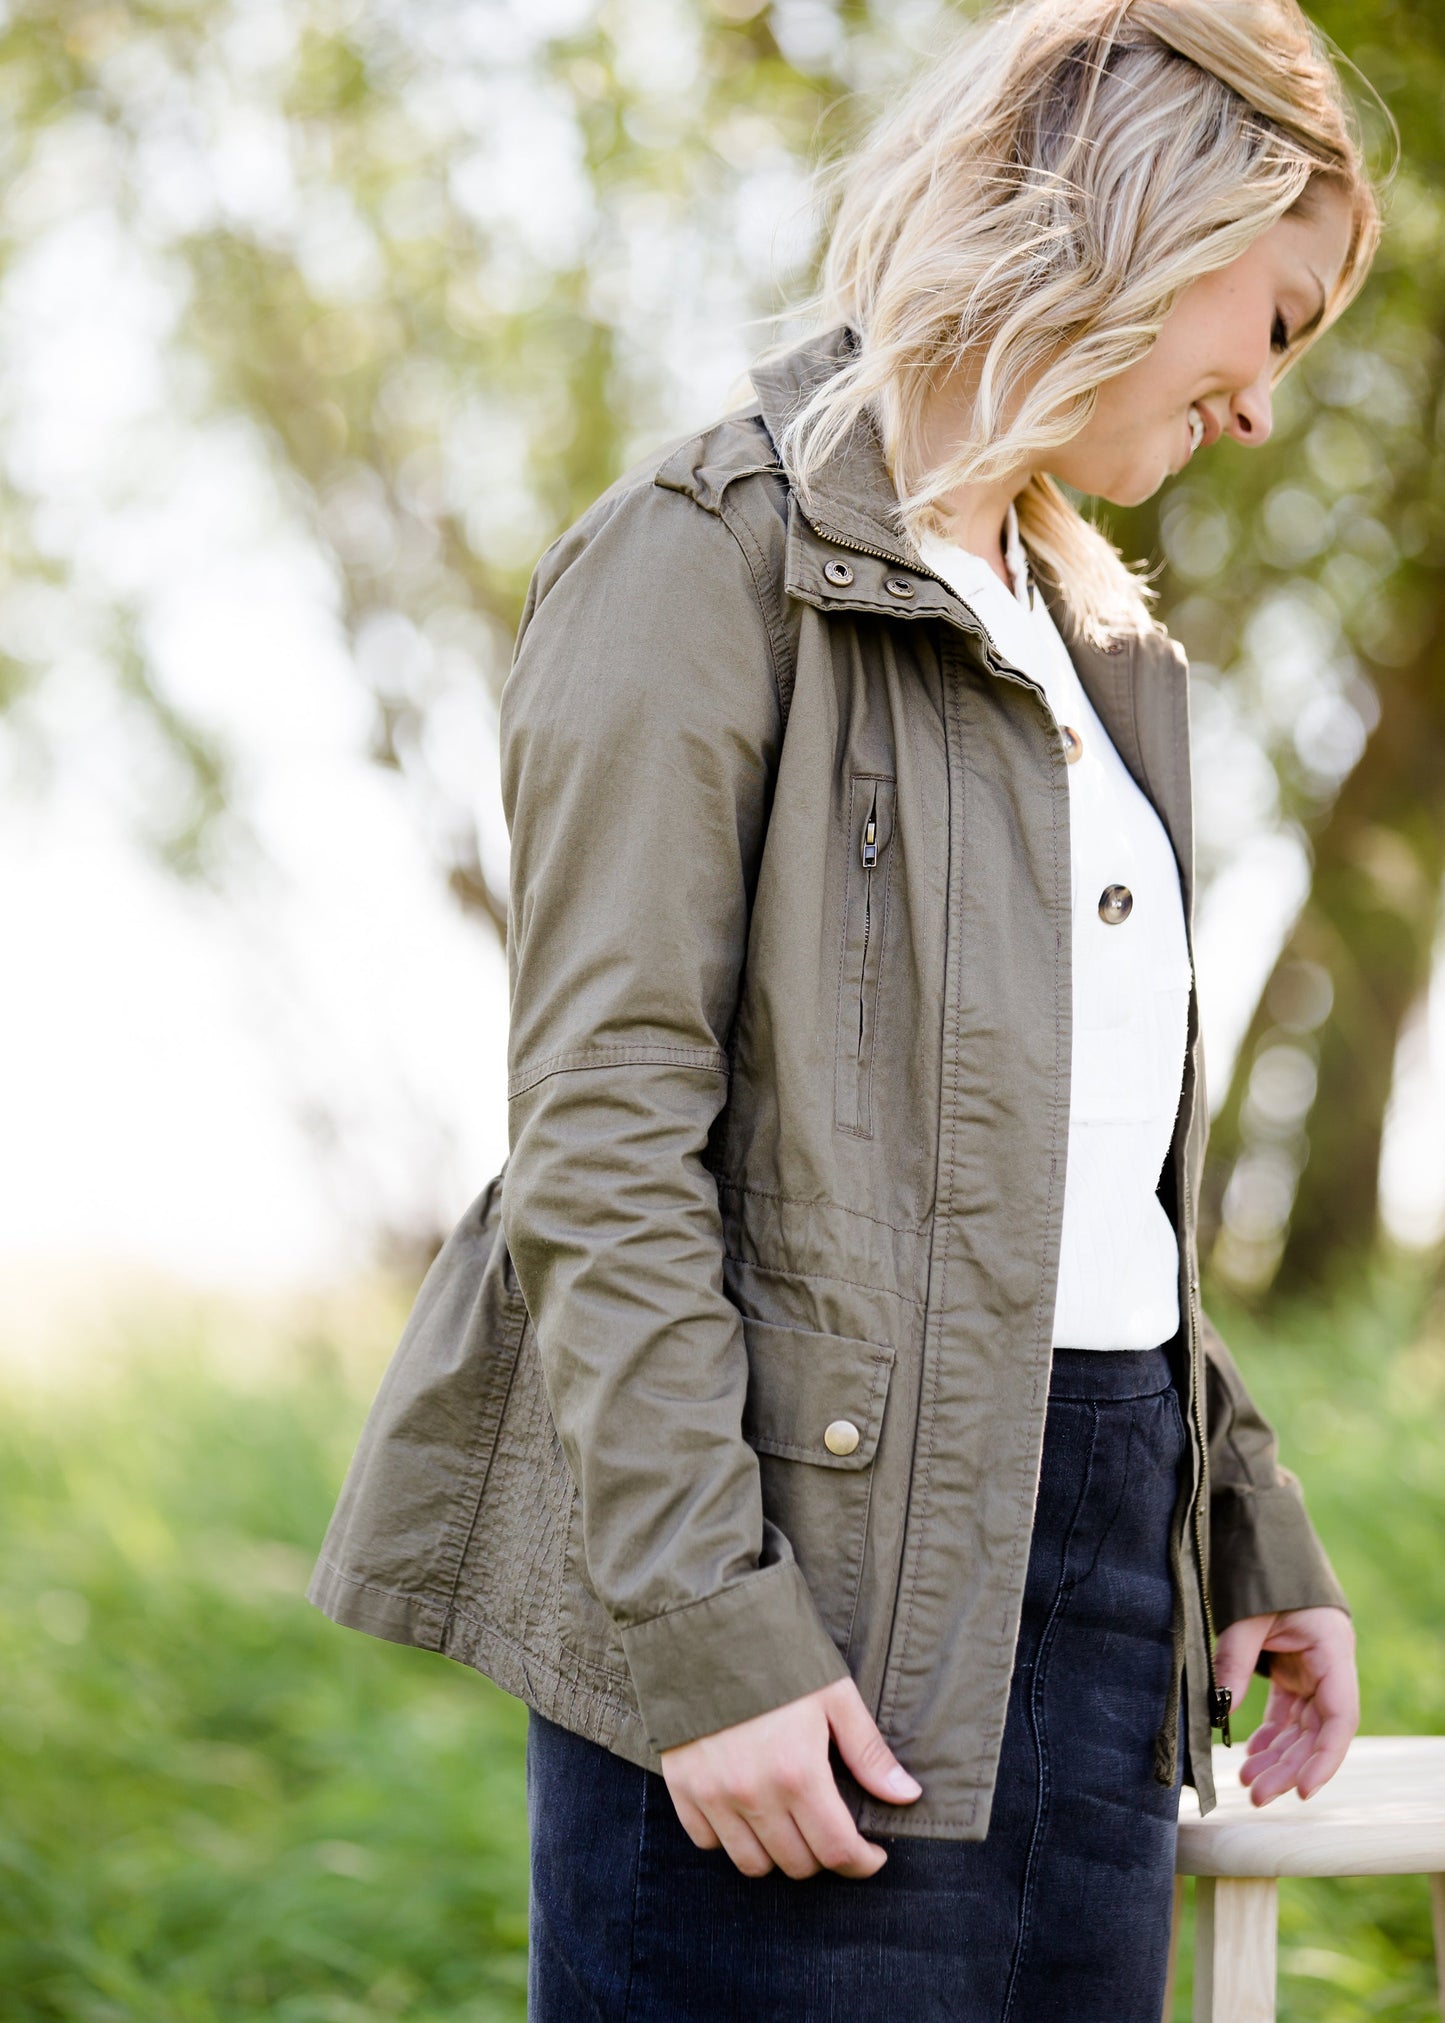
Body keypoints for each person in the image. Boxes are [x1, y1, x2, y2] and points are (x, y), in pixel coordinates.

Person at [308, 1, 1385, 2014]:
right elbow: (604, 1142)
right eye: (1281, 317)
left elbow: (1074, 1186)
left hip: (1088, 1619)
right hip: (798, 1614)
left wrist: (1237, 1517)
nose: (1262, 404)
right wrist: (705, 1634)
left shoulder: (1097, 651)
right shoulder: (702, 562)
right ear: (1150, 222)